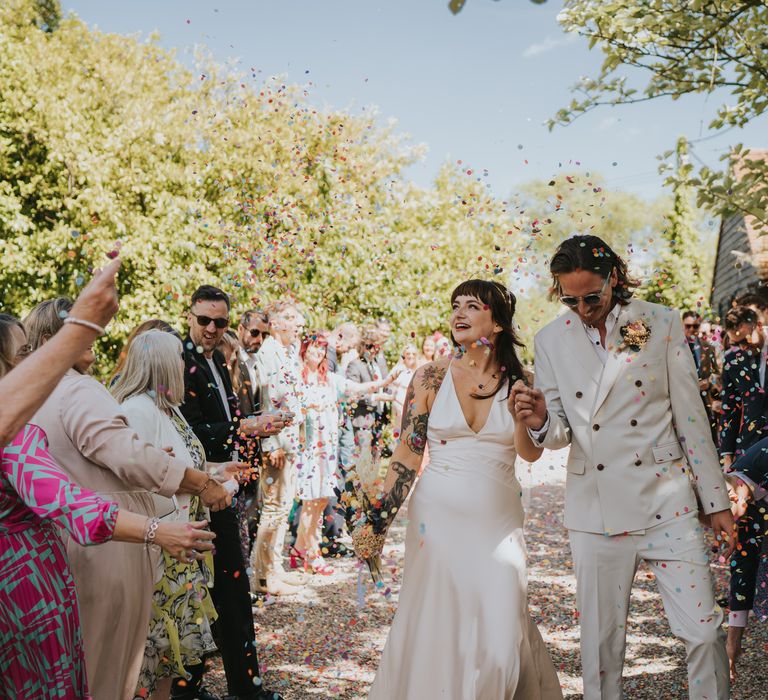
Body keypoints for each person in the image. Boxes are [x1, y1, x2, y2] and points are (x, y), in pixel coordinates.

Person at [514, 234, 733, 700]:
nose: (582, 307)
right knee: (600, 650)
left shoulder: (661, 322)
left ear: (613, 278)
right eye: (569, 298)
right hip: (595, 513)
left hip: (666, 503)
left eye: (591, 296)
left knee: (704, 632)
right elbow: (558, 432)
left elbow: (692, 420)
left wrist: (716, 503)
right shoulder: (550, 339)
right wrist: (537, 420)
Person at [359, 279, 562, 699]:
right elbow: (407, 455)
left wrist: (525, 417)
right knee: (436, 621)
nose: (459, 314)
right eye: (455, 305)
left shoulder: (522, 381)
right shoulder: (429, 378)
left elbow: (529, 455)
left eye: (473, 306)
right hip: (436, 520)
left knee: (502, 635)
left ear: (499, 323)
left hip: (499, 523)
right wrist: (377, 523)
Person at [24, 299, 232, 700]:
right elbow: (125, 453)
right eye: (85, 327)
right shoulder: (76, 390)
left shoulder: (29, 394)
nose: (98, 335)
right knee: (107, 671)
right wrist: (200, 483)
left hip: (60, 542)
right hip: (103, 545)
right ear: (52, 339)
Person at [112, 330, 238, 700]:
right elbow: (138, 481)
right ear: (163, 363)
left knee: (170, 658)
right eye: (180, 360)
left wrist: (217, 471)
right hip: (157, 553)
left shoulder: (167, 409)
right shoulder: (136, 410)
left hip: (182, 552)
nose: (185, 367)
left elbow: (179, 467)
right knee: (148, 660)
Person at [177, 285, 287, 700]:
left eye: (219, 322)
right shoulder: (181, 362)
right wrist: (244, 428)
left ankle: (244, 687)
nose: (211, 328)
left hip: (228, 485)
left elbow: (228, 418)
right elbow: (188, 430)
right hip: (196, 491)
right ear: (189, 316)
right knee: (203, 593)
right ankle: (192, 687)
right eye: (204, 320)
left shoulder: (219, 363)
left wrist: (255, 424)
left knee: (230, 593)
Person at [293, 332, 396, 575]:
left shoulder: (329, 379)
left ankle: (300, 547)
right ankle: (312, 553)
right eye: (313, 348)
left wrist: (384, 382)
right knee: (310, 501)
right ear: (304, 350)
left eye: (321, 349)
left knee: (320, 501)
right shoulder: (297, 378)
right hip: (308, 448)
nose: (317, 353)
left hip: (327, 450)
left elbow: (355, 388)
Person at [0, 258, 120, 447]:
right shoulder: (75, 389)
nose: (30, 358)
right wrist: (85, 325)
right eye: (23, 351)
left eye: (29, 349)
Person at [252, 300, 306, 596]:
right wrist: (270, 442)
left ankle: (275, 568)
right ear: (275, 323)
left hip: (290, 441)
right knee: (273, 509)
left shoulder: (287, 353)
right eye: (290, 318)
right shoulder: (269, 353)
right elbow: (266, 399)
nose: (297, 324)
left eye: (297, 319)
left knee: (284, 507)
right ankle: (263, 576)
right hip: (277, 443)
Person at [681, 310, 720, 440]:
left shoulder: (709, 348)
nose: (691, 329)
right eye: (688, 326)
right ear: (682, 325)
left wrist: (709, 382)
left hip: (705, 400)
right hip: (683, 399)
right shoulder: (674, 348)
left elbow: (717, 373)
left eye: (695, 326)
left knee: (709, 434)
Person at [390, 343, 420, 435]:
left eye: (413, 354)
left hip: (413, 410)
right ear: (403, 356)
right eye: (408, 354)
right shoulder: (398, 370)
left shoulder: (418, 371)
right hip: (399, 409)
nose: (411, 356)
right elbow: (391, 390)